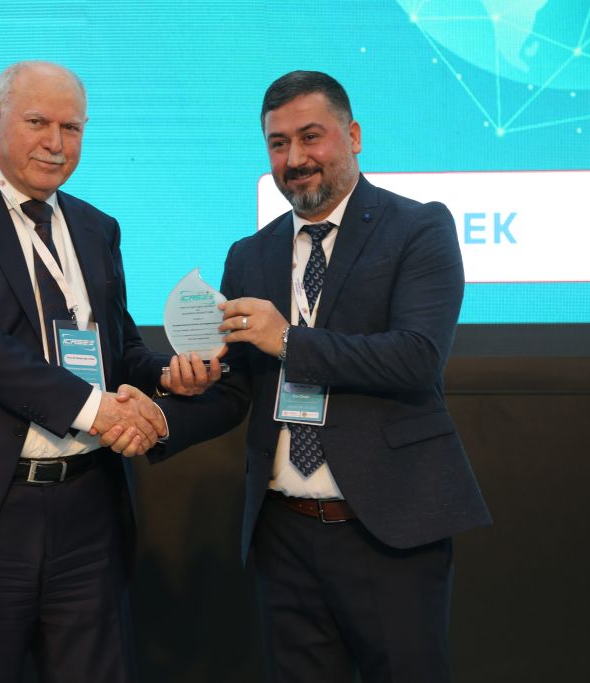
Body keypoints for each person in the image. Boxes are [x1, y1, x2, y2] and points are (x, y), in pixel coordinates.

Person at [109, 70, 491, 682]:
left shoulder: (418, 228)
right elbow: (238, 388)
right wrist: (160, 413)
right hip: (282, 534)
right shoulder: (250, 254)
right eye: (278, 143)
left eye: (311, 137)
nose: (295, 159)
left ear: (353, 135)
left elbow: (417, 357)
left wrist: (287, 339)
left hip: (387, 531)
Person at [0, 61, 216, 683]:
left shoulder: (96, 227)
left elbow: (117, 349)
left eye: (72, 128)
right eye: (37, 123)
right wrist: (97, 410)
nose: (56, 143)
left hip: (89, 510)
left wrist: (167, 376)